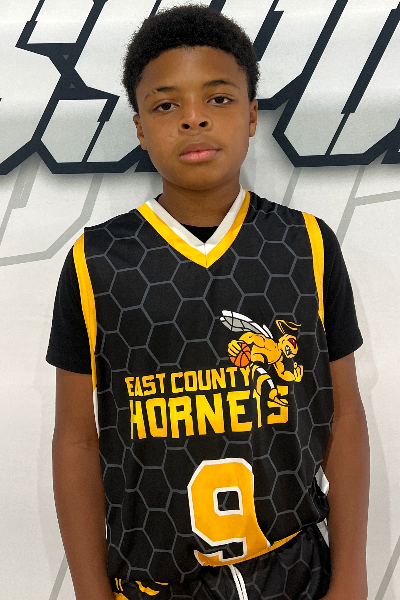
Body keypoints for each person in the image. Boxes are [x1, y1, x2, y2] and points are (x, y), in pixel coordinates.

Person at [47, 5, 370, 600]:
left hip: (297, 575)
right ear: (139, 128)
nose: (193, 118)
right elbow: (76, 439)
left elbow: (344, 416)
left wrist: (350, 577)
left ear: (251, 116)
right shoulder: (97, 261)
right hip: (155, 583)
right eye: (165, 105)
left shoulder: (307, 245)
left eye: (218, 99)